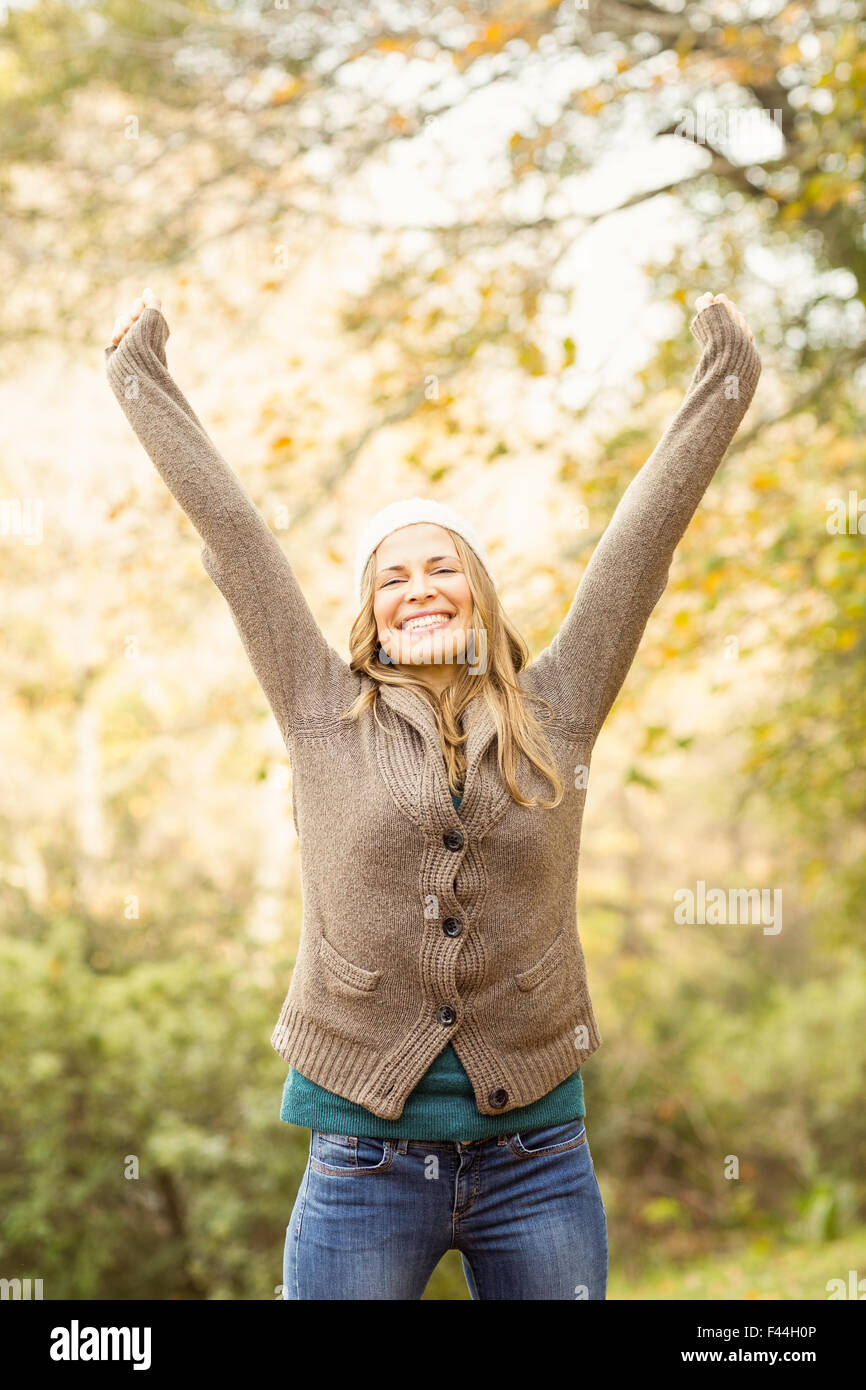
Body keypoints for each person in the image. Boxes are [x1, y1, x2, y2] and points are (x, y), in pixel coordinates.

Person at [105, 286, 760, 1299]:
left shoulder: (559, 702)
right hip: (363, 1160)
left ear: (477, 588)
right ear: (369, 610)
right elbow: (236, 538)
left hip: (537, 1156)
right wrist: (138, 376)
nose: (417, 587)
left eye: (440, 566)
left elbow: (639, 548)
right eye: (391, 575)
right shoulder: (320, 704)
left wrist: (723, 381)